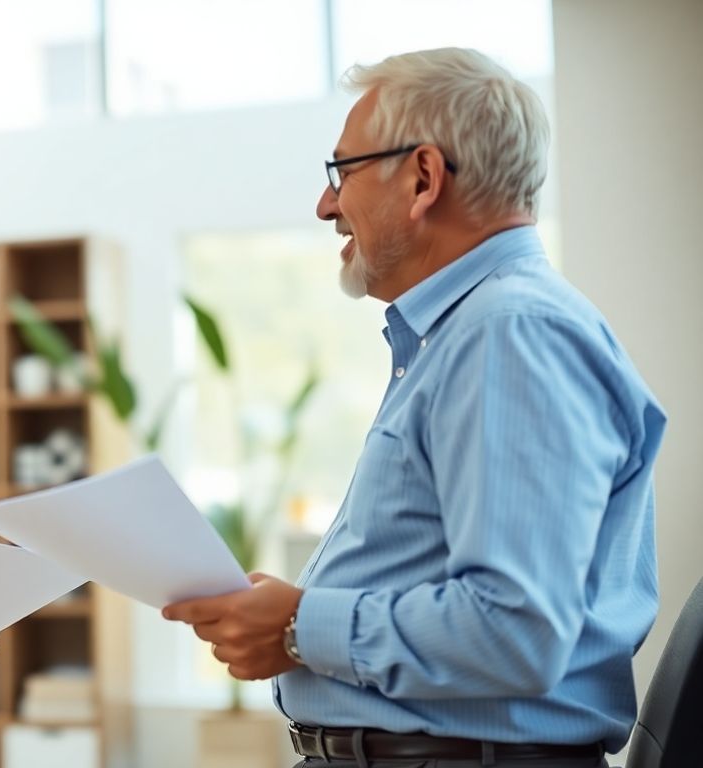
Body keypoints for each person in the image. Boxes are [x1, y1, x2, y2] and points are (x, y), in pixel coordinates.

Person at [164, 48, 665, 767]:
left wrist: (300, 625)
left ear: (423, 177)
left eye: (342, 172)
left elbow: (516, 629)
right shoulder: (472, 334)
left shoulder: (510, 333)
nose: (326, 204)